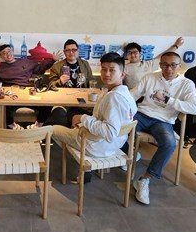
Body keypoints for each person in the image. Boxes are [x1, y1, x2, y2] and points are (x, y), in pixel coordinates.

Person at [52, 52, 137, 183]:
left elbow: (109, 133)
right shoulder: (126, 93)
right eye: (104, 69)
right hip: (116, 144)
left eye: (112, 70)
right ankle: (84, 164)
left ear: (122, 74)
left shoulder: (114, 97)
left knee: (52, 130)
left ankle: (84, 163)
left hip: (99, 146)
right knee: (73, 115)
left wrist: (83, 119)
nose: (107, 74)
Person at [129, 51, 196, 205]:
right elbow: (133, 95)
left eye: (173, 65)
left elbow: (194, 108)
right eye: (165, 65)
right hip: (142, 114)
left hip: (163, 121)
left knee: (169, 144)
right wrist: (119, 100)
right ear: (160, 65)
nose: (169, 69)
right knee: (118, 125)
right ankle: (127, 155)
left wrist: (169, 100)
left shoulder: (186, 84)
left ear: (179, 66)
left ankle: (144, 179)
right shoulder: (150, 77)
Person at [0, 43, 61, 127]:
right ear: (1, 56)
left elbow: (40, 69)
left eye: (9, 51)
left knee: (48, 103)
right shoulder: (0, 68)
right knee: (1, 105)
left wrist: (52, 60)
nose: (8, 54)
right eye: (4, 53)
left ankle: (38, 125)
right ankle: (12, 126)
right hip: (12, 95)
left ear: (12, 51)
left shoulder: (26, 62)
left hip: (28, 92)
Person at [46, 39, 95, 126]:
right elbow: (50, 85)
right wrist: (59, 81)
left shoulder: (85, 64)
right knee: (58, 116)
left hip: (82, 101)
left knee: (91, 117)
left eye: (74, 50)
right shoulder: (57, 66)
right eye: (68, 50)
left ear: (78, 51)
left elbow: (91, 81)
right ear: (64, 52)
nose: (71, 52)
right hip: (64, 101)